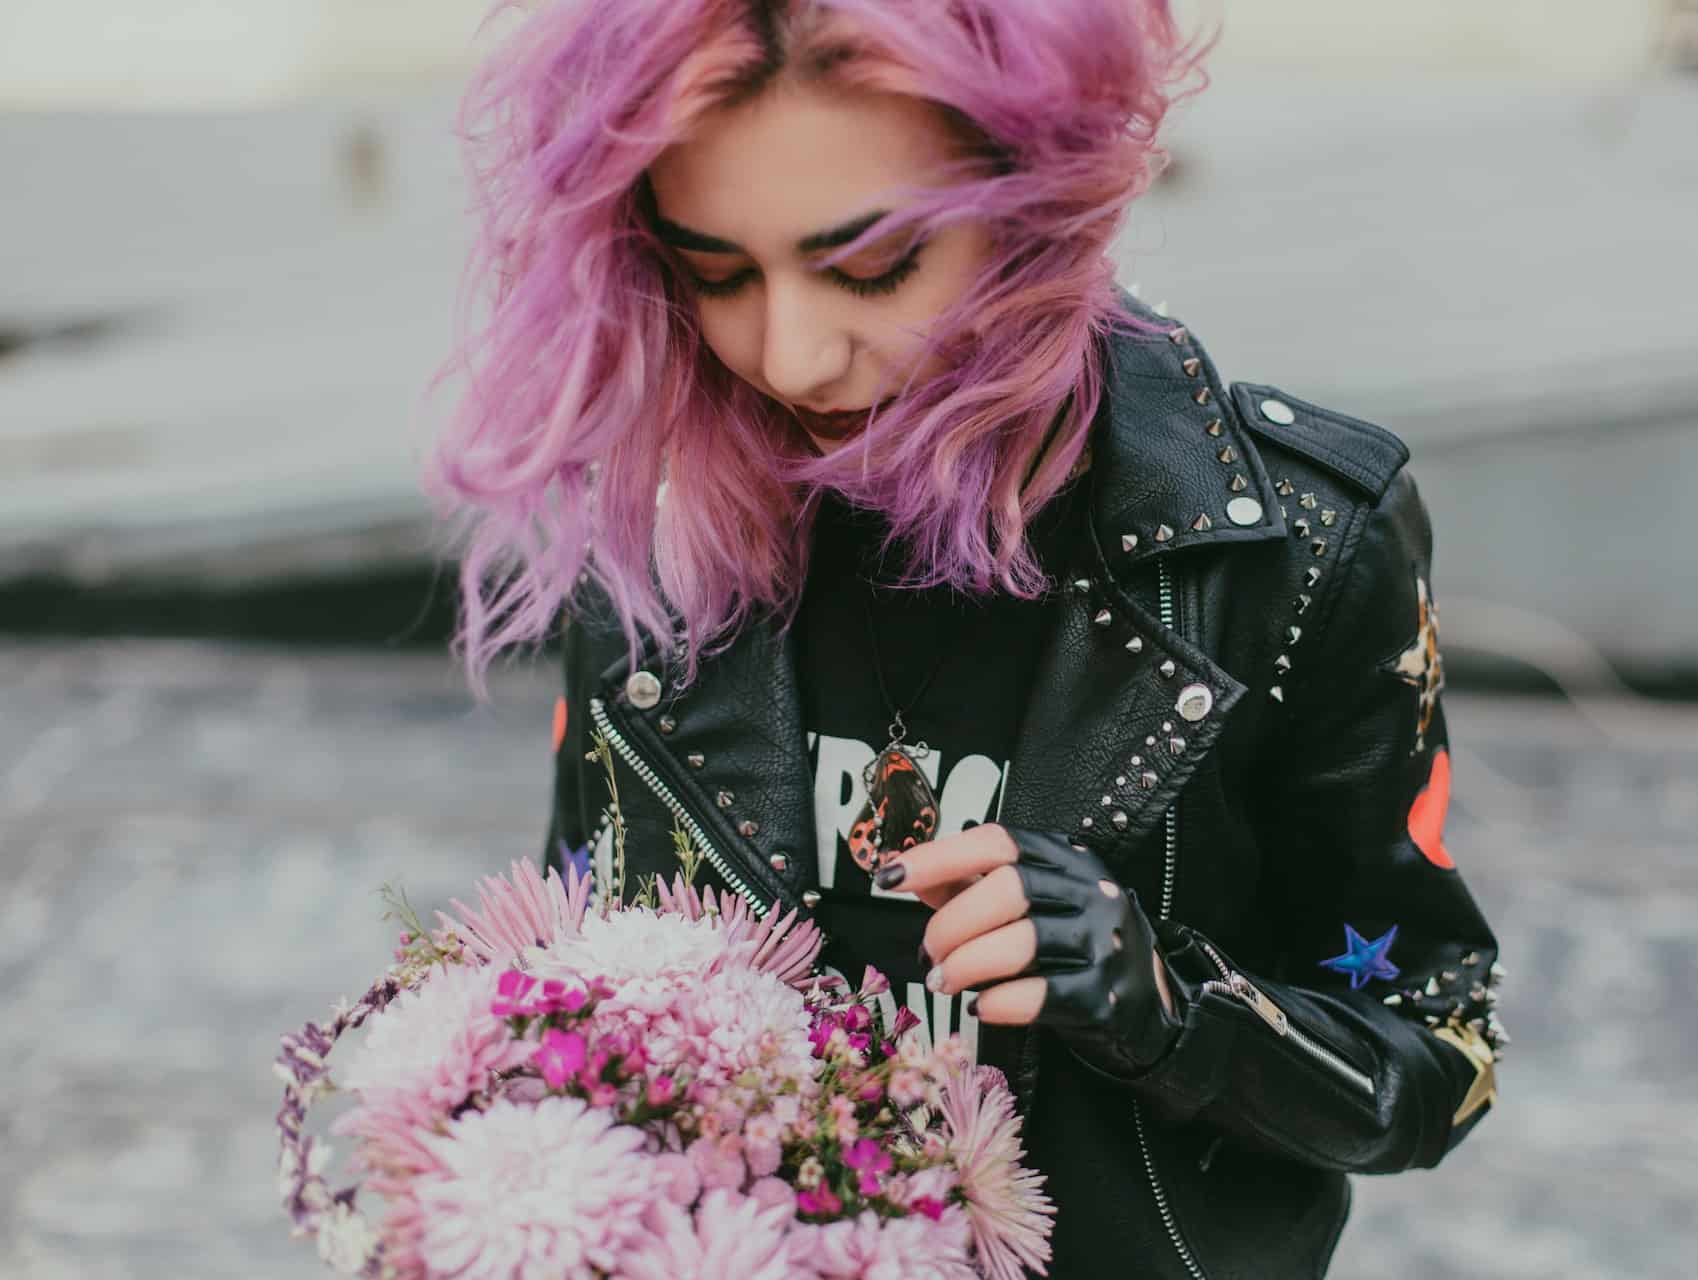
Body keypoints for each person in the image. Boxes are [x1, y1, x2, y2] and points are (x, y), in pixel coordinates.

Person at [428, 1, 1507, 1276]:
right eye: (715, 271)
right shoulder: (656, 521)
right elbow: (570, 974)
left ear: (1034, 197)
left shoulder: (1298, 542)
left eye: (872, 264)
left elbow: (1437, 1051)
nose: (790, 350)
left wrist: (1169, 1006)